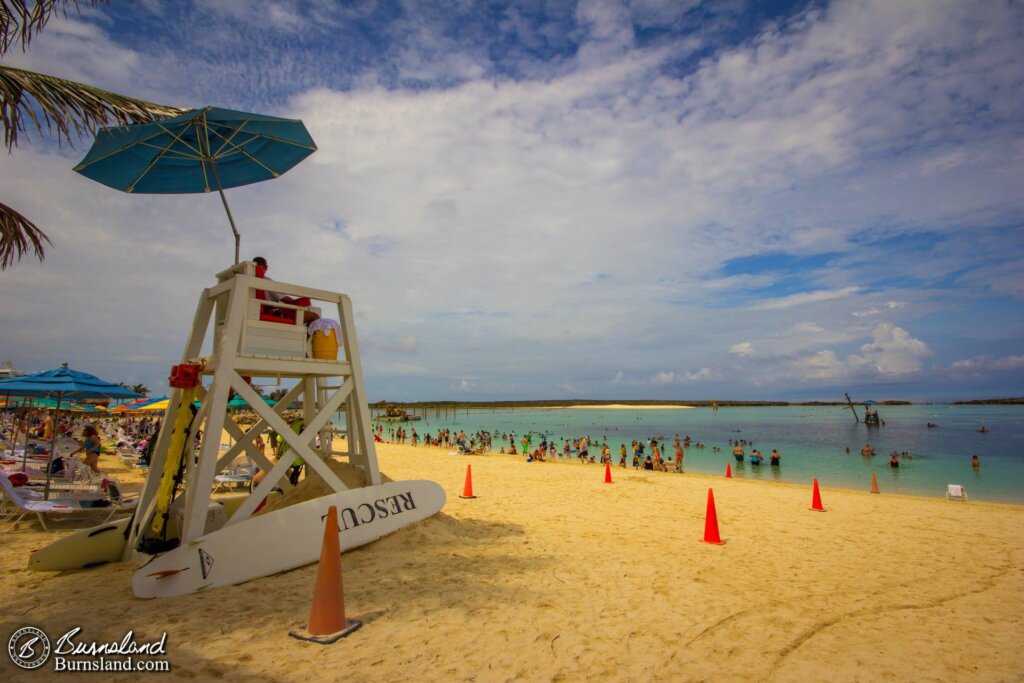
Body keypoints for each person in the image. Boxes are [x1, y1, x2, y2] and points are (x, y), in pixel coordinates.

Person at [252, 256, 319, 325]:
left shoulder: (248, 279)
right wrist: (299, 303)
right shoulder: (267, 281)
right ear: (266, 267)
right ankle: (307, 335)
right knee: (314, 316)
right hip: (271, 312)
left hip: (254, 311)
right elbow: (286, 300)